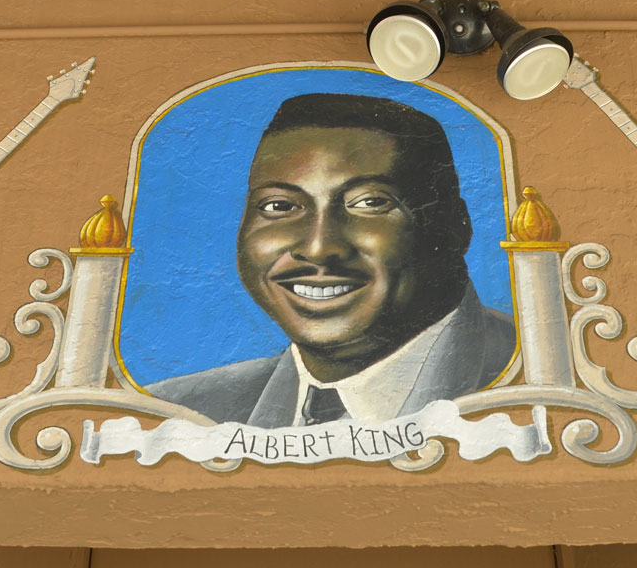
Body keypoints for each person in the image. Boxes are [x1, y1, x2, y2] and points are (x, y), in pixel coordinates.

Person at [147, 93, 515, 427]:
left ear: (454, 227)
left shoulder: (529, 387)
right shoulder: (174, 415)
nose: (319, 248)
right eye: (280, 206)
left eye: (371, 203)